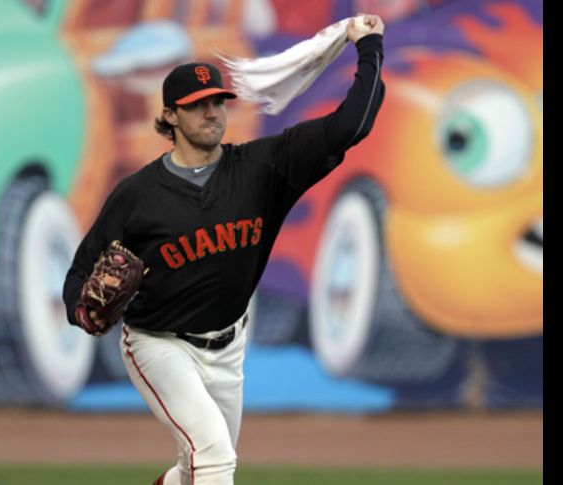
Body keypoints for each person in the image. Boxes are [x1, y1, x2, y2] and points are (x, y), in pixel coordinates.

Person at [63, 14, 386, 485]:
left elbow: (350, 125)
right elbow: (79, 274)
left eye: (218, 101)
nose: (212, 112)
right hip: (158, 344)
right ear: (170, 116)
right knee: (214, 457)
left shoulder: (263, 168)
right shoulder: (137, 195)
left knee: (195, 467)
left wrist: (369, 46)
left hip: (229, 346)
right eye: (197, 105)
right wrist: (80, 311)